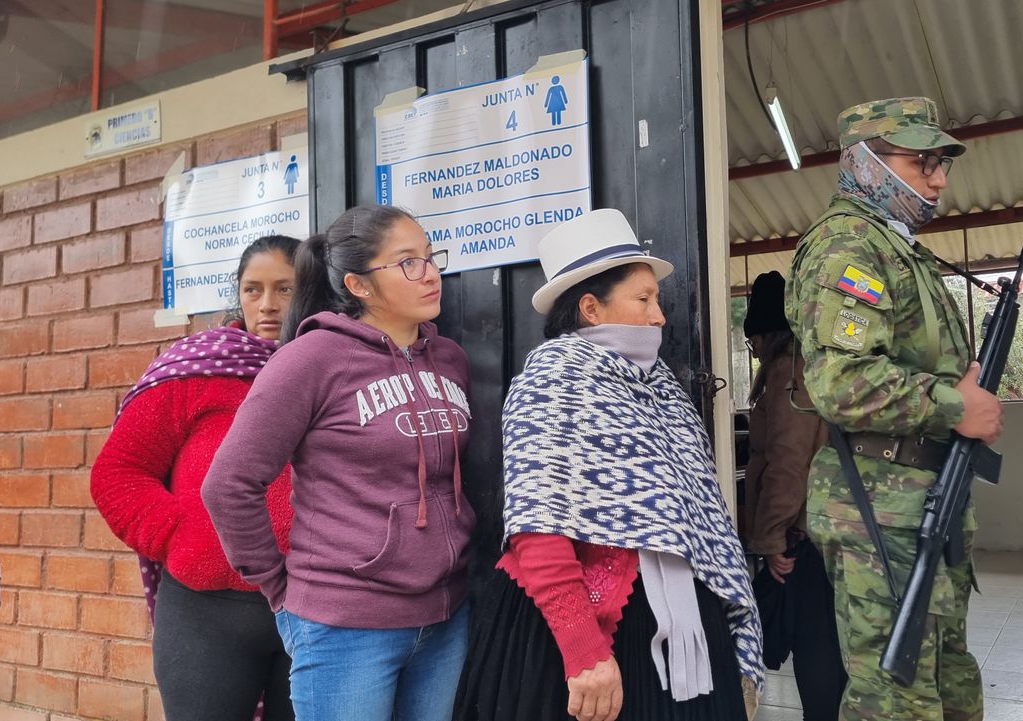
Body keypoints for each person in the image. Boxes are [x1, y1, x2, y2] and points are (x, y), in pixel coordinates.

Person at [453, 208, 764, 721]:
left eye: (657, 300)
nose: (659, 317)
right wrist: (584, 651)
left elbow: (697, 513)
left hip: (677, 616)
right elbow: (538, 526)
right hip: (583, 631)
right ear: (592, 309)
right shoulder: (552, 384)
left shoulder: (660, 389)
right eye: (644, 300)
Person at [202, 205, 475, 721]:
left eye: (431, 256)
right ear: (360, 284)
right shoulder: (310, 360)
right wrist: (279, 591)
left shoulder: (451, 359)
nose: (431, 271)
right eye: (408, 262)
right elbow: (229, 483)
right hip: (344, 625)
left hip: (444, 618)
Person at [785, 98, 1005, 721]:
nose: (939, 179)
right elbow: (841, 381)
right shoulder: (850, 245)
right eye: (923, 161)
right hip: (875, 501)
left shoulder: (899, 247)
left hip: (918, 493)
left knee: (946, 677)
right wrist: (953, 406)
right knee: (897, 697)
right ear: (866, 164)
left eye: (943, 164)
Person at [91, 235, 300, 721]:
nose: (267, 305)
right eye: (253, 290)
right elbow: (118, 473)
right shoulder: (197, 369)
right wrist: (183, 536)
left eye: (285, 289)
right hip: (207, 613)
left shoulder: (336, 368)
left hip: (316, 607)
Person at [741, 271, 846, 720]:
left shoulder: (788, 369)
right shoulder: (814, 363)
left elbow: (787, 460)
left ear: (767, 334)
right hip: (826, 523)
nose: (756, 352)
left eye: (754, 343)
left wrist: (772, 538)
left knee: (814, 643)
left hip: (806, 533)